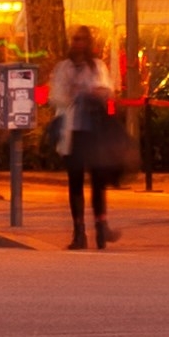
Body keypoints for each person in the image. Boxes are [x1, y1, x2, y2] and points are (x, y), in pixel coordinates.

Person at [48, 26, 130, 250]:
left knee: (97, 182)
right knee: (75, 183)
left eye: (83, 40)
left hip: (94, 131)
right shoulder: (63, 69)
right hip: (72, 131)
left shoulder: (97, 67)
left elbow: (107, 91)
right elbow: (55, 97)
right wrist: (71, 92)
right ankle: (79, 232)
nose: (79, 44)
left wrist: (97, 93)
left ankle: (101, 226)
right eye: (76, 39)